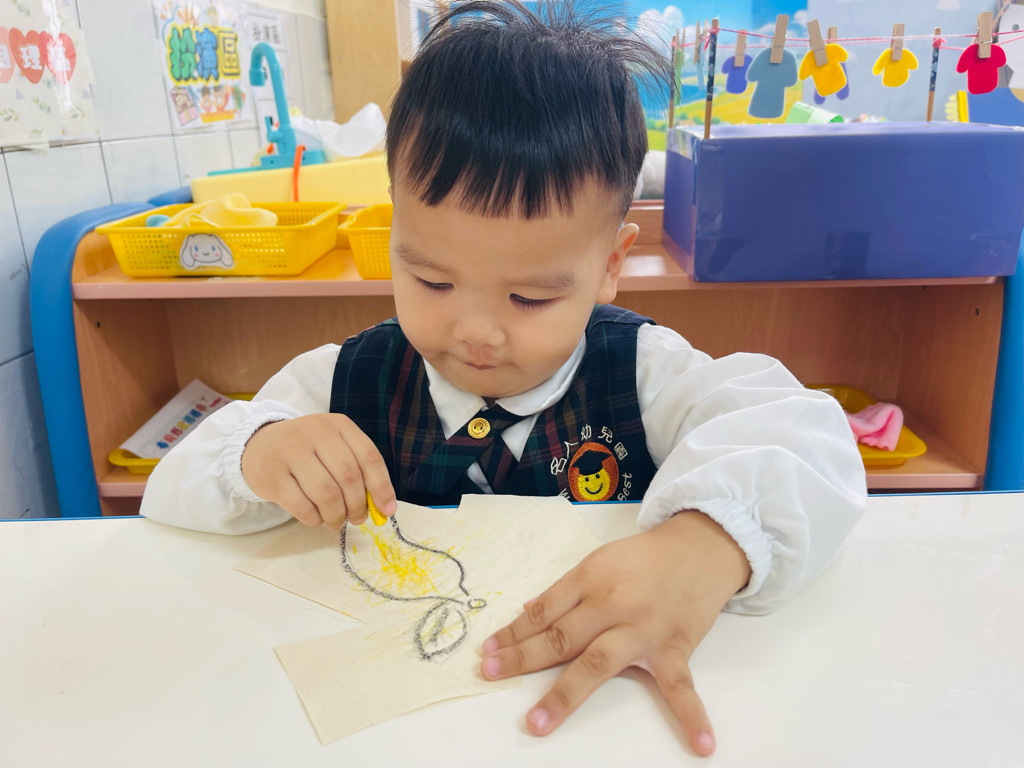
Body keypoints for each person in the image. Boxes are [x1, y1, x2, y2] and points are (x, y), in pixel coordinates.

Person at [141, 1, 866, 755]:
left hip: (598, 728)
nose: (477, 331)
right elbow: (177, 487)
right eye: (432, 281)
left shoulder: (644, 372)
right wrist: (261, 452)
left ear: (610, 265)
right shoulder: (345, 381)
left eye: (529, 298)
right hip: (393, 736)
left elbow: (806, 439)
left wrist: (703, 546)